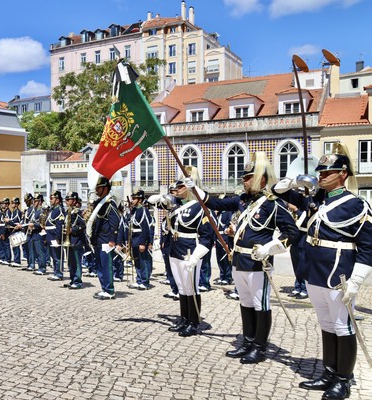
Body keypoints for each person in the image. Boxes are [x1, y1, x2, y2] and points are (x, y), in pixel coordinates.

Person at [273, 145, 371, 399]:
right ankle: (329, 372)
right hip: (314, 272)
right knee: (326, 324)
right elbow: (277, 191)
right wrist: (292, 181)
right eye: (321, 172)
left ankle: (343, 379)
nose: (322, 176)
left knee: (342, 326)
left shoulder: (355, 204)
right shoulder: (317, 199)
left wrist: (356, 281)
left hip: (338, 274)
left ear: (343, 174)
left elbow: (368, 247)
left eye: (328, 172)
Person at [193, 152, 298, 363]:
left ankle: (259, 347)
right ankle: (248, 341)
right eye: (245, 177)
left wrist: (270, 248)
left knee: (261, 305)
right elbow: (215, 204)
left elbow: (292, 232)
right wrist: (194, 188)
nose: (244, 180)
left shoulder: (272, 204)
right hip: (239, 261)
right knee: (246, 303)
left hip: (258, 263)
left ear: (262, 180)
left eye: (249, 177)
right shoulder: (243, 201)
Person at [148, 166, 215, 338]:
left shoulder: (201, 207)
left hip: (190, 251)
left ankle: (194, 322)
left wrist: (197, 256)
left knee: (191, 288)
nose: (177, 189)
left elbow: (207, 237)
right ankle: (184, 319)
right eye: (177, 187)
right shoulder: (176, 204)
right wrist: (160, 197)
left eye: (181, 186)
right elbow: (151, 201)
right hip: (175, 249)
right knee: (182, 287)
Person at [88, 176, 120, 300]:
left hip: (106, 240)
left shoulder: (110, 204)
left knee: (107, 266)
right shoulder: (99, 203)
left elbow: (115, 222)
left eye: (99, 188)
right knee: (99, 266)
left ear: (105, 189)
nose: (96, 190)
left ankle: (109, 290)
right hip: (98, 240)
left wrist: (112, 239)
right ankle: (104, 288)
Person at [125, 190, 153, 290]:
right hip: (134, 239)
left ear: (140, 200)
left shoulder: (143, 210)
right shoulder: (134, 210)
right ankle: (139, 280)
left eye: (134, 198)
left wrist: (143, 243)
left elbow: (145, 227)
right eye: (132, 198)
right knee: (136, 261)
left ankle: (145, 282)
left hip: (140, 239)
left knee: (143, 262)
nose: (132, 200)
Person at [61, 192, 86, 289]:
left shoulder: (77, 212)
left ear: (74, 201)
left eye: (68, 200)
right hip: (69, 241)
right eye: (66, 200)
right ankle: (72, 279)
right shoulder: (68, 212)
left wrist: (72, 230)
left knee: (76, 262)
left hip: (76, 241)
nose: (66, 202)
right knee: (70, 262)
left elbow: (82, 225)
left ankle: (77, 281)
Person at [45, 191, 65, 281]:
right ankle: (56, 272)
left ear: (57, 200)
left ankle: (59, 273)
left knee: (57, 256)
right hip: (50, 235)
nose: (50, 200)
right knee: (53, 256)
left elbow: (59, 225)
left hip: (54, 236)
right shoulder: (53, 209)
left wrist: (58, 237)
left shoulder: (59, 210)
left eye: (52, 198)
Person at [29, 195, 49, 275]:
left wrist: (34, 225)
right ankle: (40, 267)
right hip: (34, 233)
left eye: (36, 201)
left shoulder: (42, 211)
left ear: (40, 201)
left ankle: (42, 268)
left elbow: (42, 224)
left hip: (39, 234)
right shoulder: (35, 211)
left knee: (40, 252)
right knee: (37, 253)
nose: (34, 203)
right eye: (34, 201)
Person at [6, 197, 24, 267]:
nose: (12, 204)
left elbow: (16, 223)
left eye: (13, 203)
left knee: (16, 246)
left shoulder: (17, 212)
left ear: (16, 204)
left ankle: (17, 261)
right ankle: (16, 259)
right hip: (12, 230)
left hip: (16, 230)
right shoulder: (14, 212)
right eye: (11, 203)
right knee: (14, 246)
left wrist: (9, 221)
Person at [0, 198, 11, 265]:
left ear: (7, 204)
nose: (2, 205)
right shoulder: (2, 212)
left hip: (5, 230)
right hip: (0, 229)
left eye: (3, 203)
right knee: (2, 245)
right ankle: (3, 257)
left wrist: (3, 233)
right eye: (1, 204)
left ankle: (8, 259)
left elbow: (6, 223)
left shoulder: (8, 212)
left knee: (6, 245)